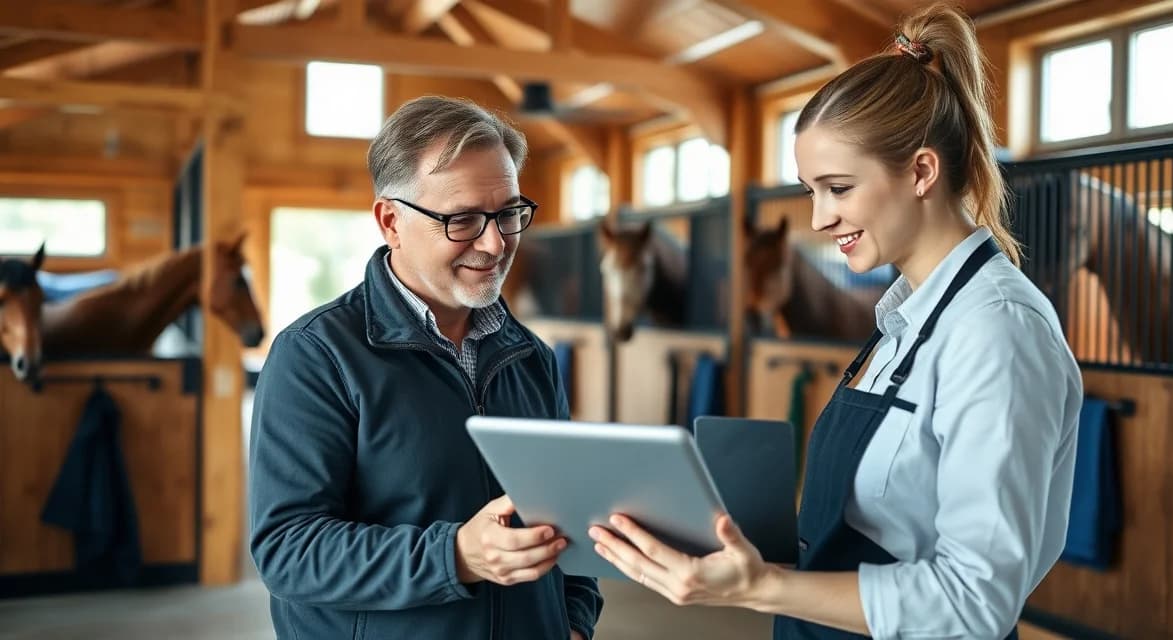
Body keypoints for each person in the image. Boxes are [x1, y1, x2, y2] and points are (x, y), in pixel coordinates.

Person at [589, 4, 1082, 639]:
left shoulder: (997, 332)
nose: (819, 218)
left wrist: (760, 587)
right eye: (810, 191)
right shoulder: (904, 318)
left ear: (922, 171)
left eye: (839, 188)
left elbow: (974, 603)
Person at [249, 95, 603, 640]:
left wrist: (573, 622)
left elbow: (567, 515)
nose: (495, 243)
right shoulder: (315, 355)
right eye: (463, 219)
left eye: (509, 214)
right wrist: (455, 556)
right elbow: (289, 550)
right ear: (390, 221)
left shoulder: (531, 356)